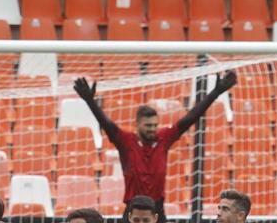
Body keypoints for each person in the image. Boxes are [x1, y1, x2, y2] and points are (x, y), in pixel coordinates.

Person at [73, 69, 238, 212]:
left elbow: (190, 118)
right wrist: (90, 101)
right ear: (137, 125)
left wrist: (216, 92)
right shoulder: (126, 141)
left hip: (157, 209)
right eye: (148, 125)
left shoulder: (163, 139)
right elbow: (106, 124)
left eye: (155, 125)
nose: (152, 129)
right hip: (133, 209)